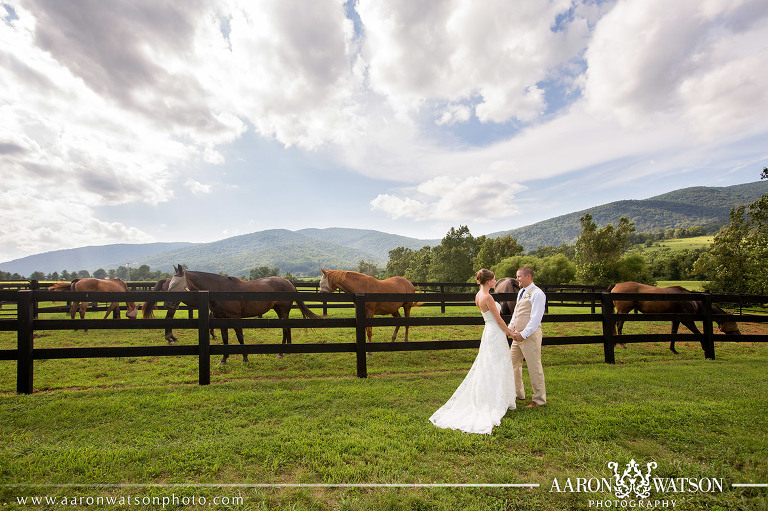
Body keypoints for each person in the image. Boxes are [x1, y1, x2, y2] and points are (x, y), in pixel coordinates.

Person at [429, 269, 517, 434]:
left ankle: (490, 396)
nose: (495, 282)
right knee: (497, 364)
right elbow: (498, 319)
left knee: (488, 365)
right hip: (495, 332)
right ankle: (494, 400)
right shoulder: (488, 297)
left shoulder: (478, 296)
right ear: (489, 281)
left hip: (488, 331)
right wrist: (510, 333)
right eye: (494, 280)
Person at [508, 266, 547, 408]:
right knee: (512, 364)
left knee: (534, 366)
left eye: (519, 276)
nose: (517, 279)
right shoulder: (522, 292)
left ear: (528, 276)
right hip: (517, 336)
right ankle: (518, 393)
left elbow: (536, 318)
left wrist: (523, 334)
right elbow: (516, 313)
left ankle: (539, 400)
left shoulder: (538, 293)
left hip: (529, 336)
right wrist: (510, 328)